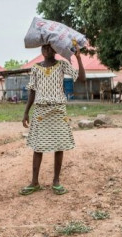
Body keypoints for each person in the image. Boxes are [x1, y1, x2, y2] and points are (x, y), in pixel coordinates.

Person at [21, 44, 85, 196]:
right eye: (45, 48)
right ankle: (34, 182)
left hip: (58, 110)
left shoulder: (62, 65)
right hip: (41, 111)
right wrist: (26, 113)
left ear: (56, 50)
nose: (48, 51)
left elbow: (82, 78)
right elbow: (32, 92)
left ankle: (56, 181)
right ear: (41, 51)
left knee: (59, 145)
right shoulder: (36, 68)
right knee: (38, 147)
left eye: (51, 48)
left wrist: (78, 57)